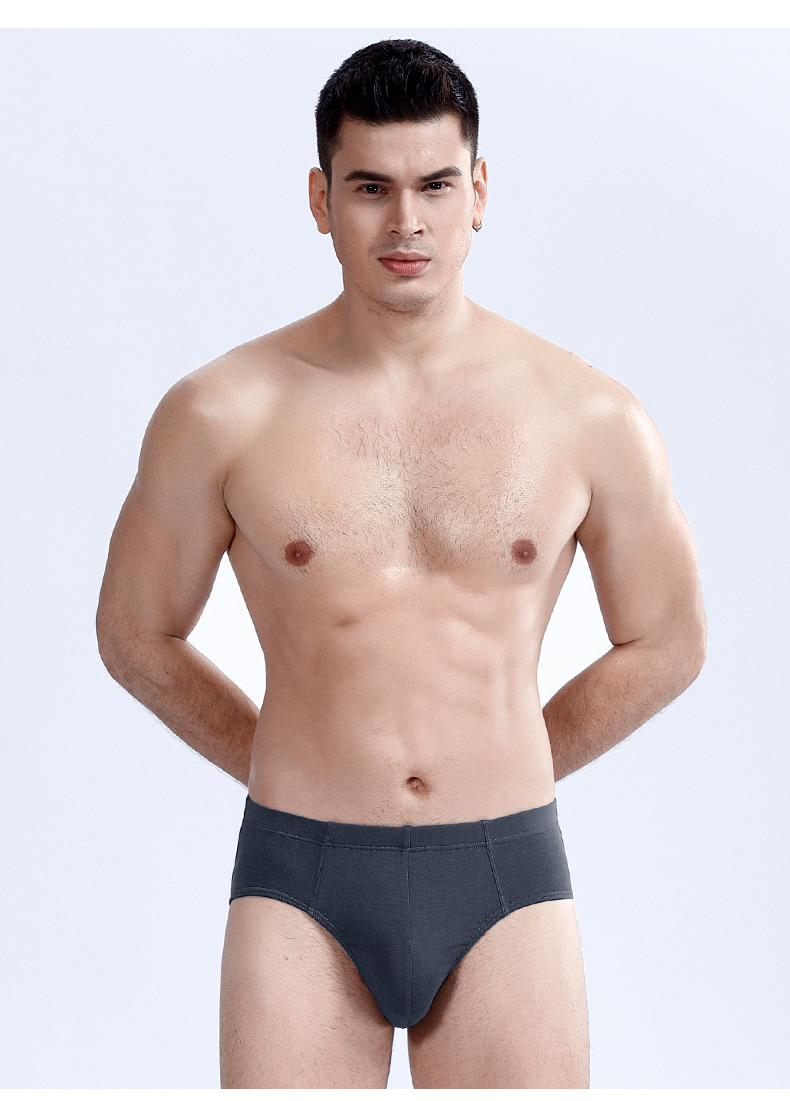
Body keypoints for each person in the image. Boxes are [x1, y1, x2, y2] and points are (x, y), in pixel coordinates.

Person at [95, 38, 707, 1089]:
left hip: (504, 870)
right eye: (371, 187)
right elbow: (134, 634)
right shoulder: (222, 412)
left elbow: (669, 642)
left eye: (434, 185)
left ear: (480, 191)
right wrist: (274, 753)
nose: (405, 222)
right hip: (300, 870)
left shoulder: (588, 416)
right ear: (320, 199)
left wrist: (518, 755)